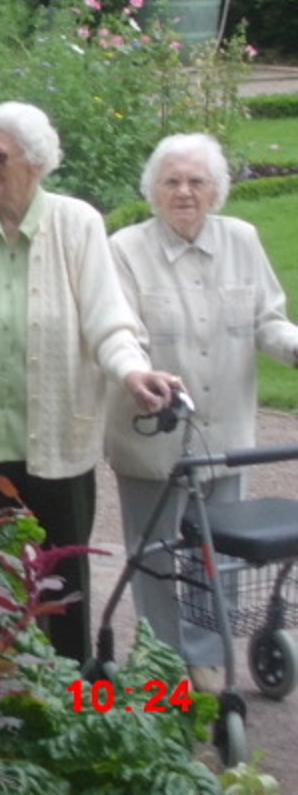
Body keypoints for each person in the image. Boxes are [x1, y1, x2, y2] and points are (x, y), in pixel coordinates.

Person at [0, 101, 180, 664]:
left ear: (36, 163)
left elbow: (108, 321)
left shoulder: (77, 224)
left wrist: (133, 372)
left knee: (65, 582)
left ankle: (69, 687)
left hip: (58, 442)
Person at [105, 133, 298, 691]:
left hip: (225, 436)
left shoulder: (242, 239)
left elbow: (268, 320)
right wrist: (142, 375)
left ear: (216, 190)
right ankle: (164, 661)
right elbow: (123, 335)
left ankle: (209, 658)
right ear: (153, 191)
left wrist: (294, 346)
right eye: (172, 181)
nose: (184, 192)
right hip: (155, 435)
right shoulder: (125, 249)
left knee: (221, 554)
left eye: (196, 181)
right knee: (156, 554)